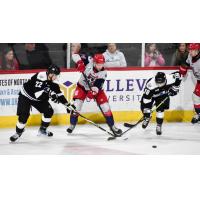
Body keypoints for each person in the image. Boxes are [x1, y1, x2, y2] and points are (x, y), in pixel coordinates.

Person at [10, 64, 75, 142]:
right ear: (50, 74)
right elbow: (38, 95)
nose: (56, 77)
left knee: (49, 111)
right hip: (26, 96)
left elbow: (59, 94)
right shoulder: (41, 76)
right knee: (24, 116)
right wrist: (51, 94)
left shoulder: (53, 83)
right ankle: (18, 132)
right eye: (55, 75)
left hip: (38, 98)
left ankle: (42, 129)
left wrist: (67, 105)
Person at [66, 53, 122, 136]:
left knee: (106, 107)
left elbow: (97, 86)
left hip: (95, 90)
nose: (100, 66)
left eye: (102, 64)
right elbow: (74, 55)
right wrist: (79, 62)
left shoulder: (103, 73)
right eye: (98, 64)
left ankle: (113, 126)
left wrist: (93, 92)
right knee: (76, 106)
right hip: (82, 87)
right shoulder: (88, 60)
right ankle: (72, 125)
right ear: (94, 62)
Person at [181, 43, 200, 124]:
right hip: (199, 81)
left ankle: (198, 114)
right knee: (195, 97)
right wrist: (183, 69)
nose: (190, 52)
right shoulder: (190, 55)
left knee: (195, 97)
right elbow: (186, 63)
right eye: (190, 50)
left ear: (197, 51)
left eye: (192, 50)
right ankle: (198, 114)